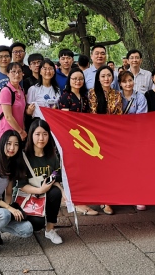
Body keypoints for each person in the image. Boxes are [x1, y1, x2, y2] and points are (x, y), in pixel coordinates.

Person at [19, 119, 65, 244]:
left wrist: (62, 191)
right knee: (37, 224)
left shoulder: (52, 156)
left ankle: (50, 230)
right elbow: (21, 185)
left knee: (56, 192)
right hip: (29, 196)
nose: (41, 138)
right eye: (37, 134)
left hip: (46, 193)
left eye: (45, 134)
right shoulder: (23, 157)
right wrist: (40, 190)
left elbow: (54, 177)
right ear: (31, 135)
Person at [57, 68, 96, 216]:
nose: (77, 81)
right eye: (74, 79)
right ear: (69, 80)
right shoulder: (65, 97)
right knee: (72, 168)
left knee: (82, 168)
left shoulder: (85, 97)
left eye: (80, 79)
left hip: (83, 138)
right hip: (70, 137)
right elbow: (64, 120)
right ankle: (76, 202)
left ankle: (81, 198)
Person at [88, 65, 121, 215]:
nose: (106, 78)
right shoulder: (92, 93)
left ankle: (112, 196)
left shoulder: (117, 94)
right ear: (98, 78)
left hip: (113, 136)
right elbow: (92, 115)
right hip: (97, 137)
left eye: (109, 75)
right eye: (103, 76)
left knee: (112, 169)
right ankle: (103, 200)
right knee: (100, 169)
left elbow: (119, 116)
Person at [0, 62, 27, 146]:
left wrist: (22, 130)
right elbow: (8, 116)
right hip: (7, 135)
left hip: (18, 134)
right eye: (13, 71)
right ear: (8, 74)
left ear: (22, 74)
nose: (17, 74)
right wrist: (21, 131)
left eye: (19, 71)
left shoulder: (21, 91)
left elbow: (21, 114)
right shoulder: (6, 91)